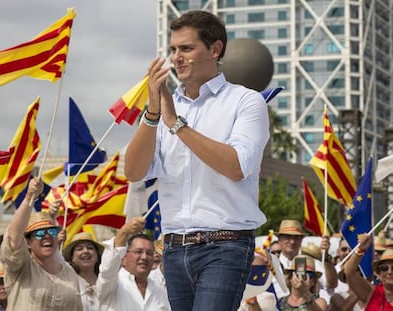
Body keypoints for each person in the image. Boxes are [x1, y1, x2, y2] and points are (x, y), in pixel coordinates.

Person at [123, 9, 269, 311]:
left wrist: (176, 124)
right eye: (173, 49)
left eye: (187, 48)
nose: (177, 57)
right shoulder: (163, 108)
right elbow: (134, 172)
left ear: (215, 50)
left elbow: (236, 166)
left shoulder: (245, 101)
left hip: (225, 244)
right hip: (174, 248)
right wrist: (152, 113)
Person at [1, 177, 82, 310]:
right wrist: (29, 198)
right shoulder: (22, 267)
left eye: (51, 231)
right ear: (27, 242)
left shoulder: (69, 272)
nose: (47, 236)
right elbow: (13, 237)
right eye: (39, 233)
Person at [97, 216, 171, 310]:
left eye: (149, 253)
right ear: (124, 257)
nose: (144, 257)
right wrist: (124, 232)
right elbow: (107, 269)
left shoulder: (159, 288)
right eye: (138, 252)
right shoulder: (112, 284)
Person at [344, 233, 393, 310]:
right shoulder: (371, 292)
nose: (389, 272)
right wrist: (360, 250)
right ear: (379, 272)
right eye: (384, 268)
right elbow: (349, 272)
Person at [63, 232, 104, 311]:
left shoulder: (106, 281)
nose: (85, 251)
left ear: (97, 256)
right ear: (72, 258)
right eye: (79, 249)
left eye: (90, 248)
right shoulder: (68, 282)